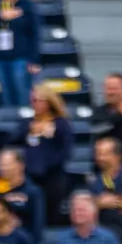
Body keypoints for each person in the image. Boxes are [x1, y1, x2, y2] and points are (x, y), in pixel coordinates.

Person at [15, 87, 78, 228]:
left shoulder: (61, 124)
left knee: (52, 214)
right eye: (33, 100)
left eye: (38, 100)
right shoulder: (27, 123)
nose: (34, 104)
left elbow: (66, 150)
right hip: (29, 177)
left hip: (53, 177)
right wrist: (29, 130)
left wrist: (46, 164)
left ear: (49, 102)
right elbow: (11, 142)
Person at [0, 147, 45, 242]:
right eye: (0, 165)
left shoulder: (32, 192)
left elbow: (37, 225)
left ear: (20, 165)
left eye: (7, 165)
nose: (2, 168)